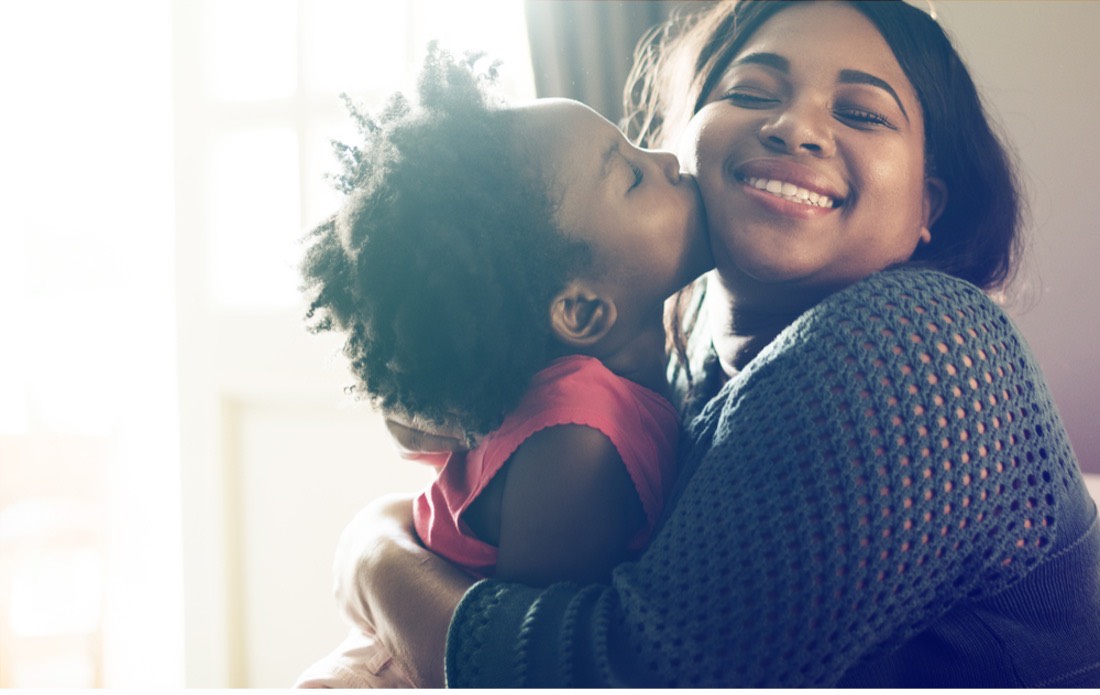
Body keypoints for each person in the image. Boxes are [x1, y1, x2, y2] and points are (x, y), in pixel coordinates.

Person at [328, 0, 1100, 688]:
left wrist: (373, 556)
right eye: (752, 92)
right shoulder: (681, 357)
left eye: (863, 113)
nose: (795, 126)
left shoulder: (917, 344)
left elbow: (625, 676)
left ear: (928, 204)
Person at [292, 45, 711, 688]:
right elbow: (524, 661)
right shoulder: (580, 436)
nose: (668, 159)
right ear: (580, 309)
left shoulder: (585, 391)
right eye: (631, 176)